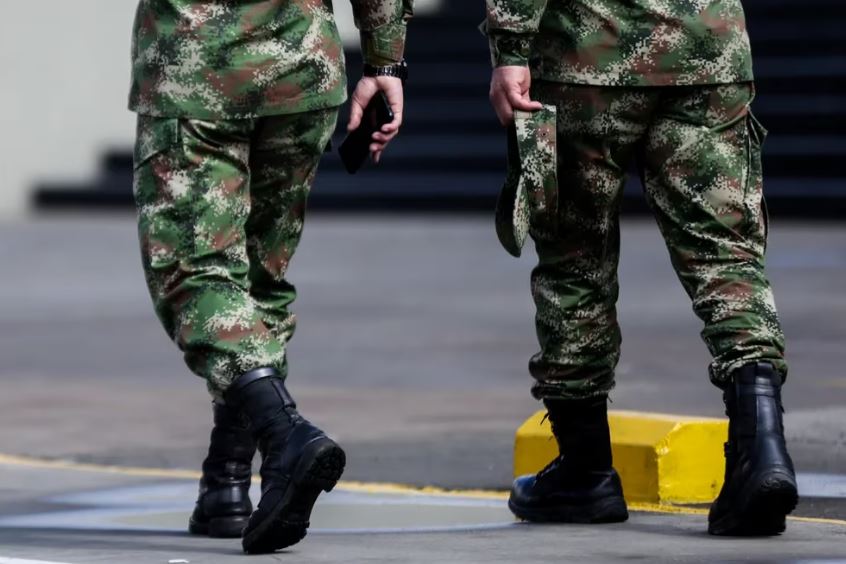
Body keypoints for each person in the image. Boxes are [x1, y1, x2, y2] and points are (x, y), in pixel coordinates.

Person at [485, 0, 798, 535]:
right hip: (708, 47)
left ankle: (585, 471)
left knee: (575, 260)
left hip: (588, 53)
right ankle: (762, 451)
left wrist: (511, 49)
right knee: (725, 254)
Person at [128, 0, 413, 553]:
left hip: (198, 67)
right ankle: (227, 483)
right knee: (260, 277)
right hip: (299, 66)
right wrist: (385, 61)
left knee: (195, 272)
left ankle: (285, 436)